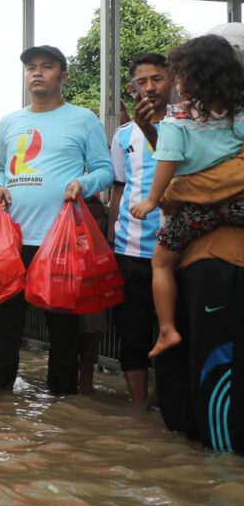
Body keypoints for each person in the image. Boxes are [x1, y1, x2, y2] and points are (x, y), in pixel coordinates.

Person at [0, 45, 114, 395]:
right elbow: (2, 170)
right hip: (13, 240)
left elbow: (105, 170)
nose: (37, 72)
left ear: (64, 76)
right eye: (31, 67)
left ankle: (62, 403)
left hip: (60, 243)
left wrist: (82, 184)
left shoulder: (83, 118)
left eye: (47, 66)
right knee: (7, 326)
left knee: (63, 329)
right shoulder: (9, 122)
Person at [129, 35, 244, 358]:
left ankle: (166, 330)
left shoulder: (177, 120)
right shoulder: (237, 114)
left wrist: (153, 199)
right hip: (238, 209)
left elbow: (168, 163)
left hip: (195, 218)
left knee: (161, 263)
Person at [107, 53, 173, 404]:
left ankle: (170, 403)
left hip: (178, 248)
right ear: (133, 88)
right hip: (130, 249)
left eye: (157, 79)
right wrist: (110, 236)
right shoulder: (123, 135)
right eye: (141, 82)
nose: (149, 88)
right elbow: (119, 186)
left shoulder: (186, 124)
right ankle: (138, 408)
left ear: (173, 81)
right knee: (131, 332)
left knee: (173, 330)